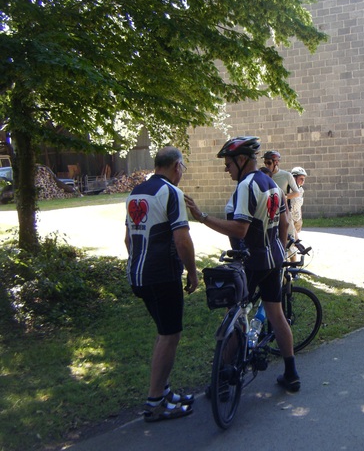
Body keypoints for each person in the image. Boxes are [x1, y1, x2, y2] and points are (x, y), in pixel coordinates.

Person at [184, 137, 301, 392]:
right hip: (273, 260)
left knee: (234, 313)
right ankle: (291, 372)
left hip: (253, 261)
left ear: (241, 160)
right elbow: (283, 224)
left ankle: (222, 381)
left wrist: (202, 217)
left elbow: (240, 228)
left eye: (228, 164)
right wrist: (280, 252)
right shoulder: (271, 183)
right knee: (276, 313)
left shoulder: (247, 186)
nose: (226, 169)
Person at [124, 146, 199, 422]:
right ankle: (155, 402)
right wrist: (192, 272)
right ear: (177, 166)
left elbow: (128, 240)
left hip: (138, 276)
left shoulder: (136, 192)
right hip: (163, 275)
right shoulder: (172, 193)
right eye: (183, 169)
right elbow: (182, 240)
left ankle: (164, 391)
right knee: (170, 336)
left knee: (163, 332)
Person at [289, 167, 307, 236]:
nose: (303, 181)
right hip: (290, 219)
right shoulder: (289, 189)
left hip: (297, 219)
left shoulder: (301, 190)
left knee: (295, 239)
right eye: (301, 179)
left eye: (304, 179)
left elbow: (299, 205)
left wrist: (300, 219)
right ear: (294, 178)